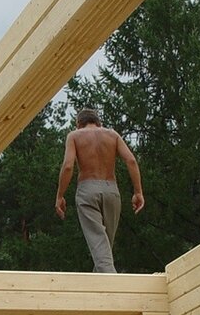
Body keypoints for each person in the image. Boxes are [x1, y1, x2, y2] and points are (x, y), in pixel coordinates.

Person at [55, 107, 144, 273]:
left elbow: (68, 166)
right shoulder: (112, 135)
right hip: (111, 190)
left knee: (99, 245)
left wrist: (60, 195)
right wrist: (138, 192)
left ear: (78, 124)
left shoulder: (74, 136)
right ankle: (100, 288)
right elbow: (131, 160)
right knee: (104, 248)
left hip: (87, 190)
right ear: (98, 122)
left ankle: (113, 288)